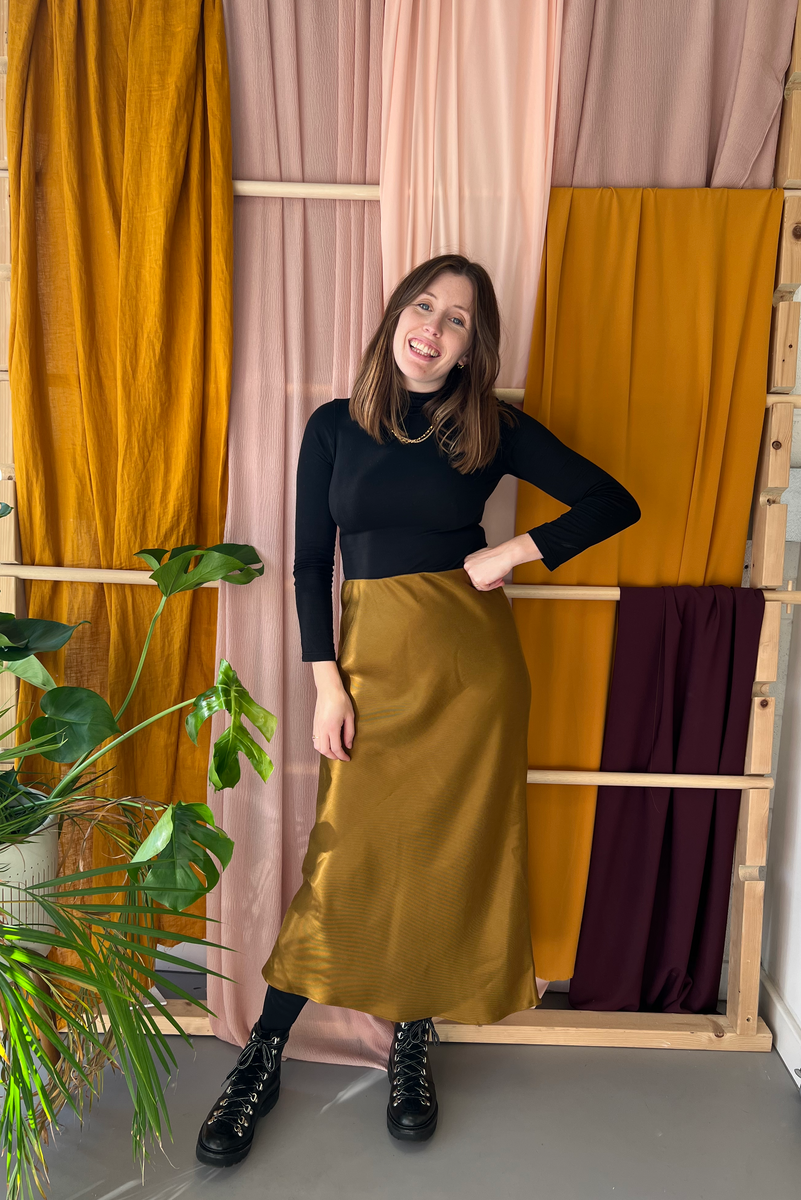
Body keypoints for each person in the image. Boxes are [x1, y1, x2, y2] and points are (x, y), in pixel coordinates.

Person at [196, 254, 640, 1166]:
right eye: (424, 307)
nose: (433, 329)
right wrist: (327, 682)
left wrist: (511, 551)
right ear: (397, 314)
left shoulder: (489, 426)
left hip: (470, 675)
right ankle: (263, 1054)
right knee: (343, 859)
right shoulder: (333, 425)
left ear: (472, 347)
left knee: (446, 857)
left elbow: (612, 501)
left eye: (457, 320)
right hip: (367, 668)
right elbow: (309, 563)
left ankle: (410, 1039)